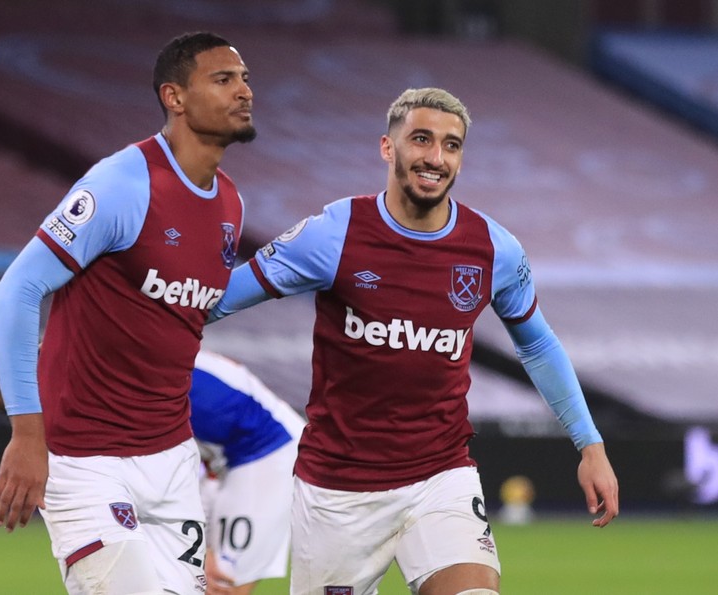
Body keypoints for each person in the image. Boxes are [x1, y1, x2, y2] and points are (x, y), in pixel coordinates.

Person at [208, 87, 619, 595]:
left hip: (440, 476)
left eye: (451, 145)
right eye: (421, 140)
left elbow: (537, 345)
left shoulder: (494, 248)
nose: (435, 158)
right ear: (388, 147)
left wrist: (590, 445)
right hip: (338, 490)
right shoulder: (334, 234)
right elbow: (213, 300)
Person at [0, 31, 255, 595]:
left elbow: (183, 311)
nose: (244, 91)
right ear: (174, 97)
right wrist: (27, 435)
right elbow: (15, 292)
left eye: (245, 79)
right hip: (85, 460)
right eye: (224, 79)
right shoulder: (122, 184)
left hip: (172, 460)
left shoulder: (230, 201)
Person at [0, 332, 304, 595]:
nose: (24, 413)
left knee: (221, 586)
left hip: (267, 451)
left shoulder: (90, 373)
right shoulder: (85, 360)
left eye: (14, 401)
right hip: (217, 464)